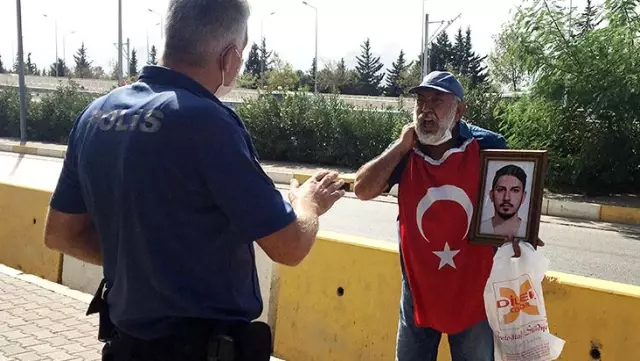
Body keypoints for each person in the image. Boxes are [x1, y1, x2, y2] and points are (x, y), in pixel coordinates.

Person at [42, 0, 345, 360]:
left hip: (125, 347)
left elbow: (61, 234)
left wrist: (142, 267)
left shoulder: (96, 115)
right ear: (229, 56)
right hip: (198, 349)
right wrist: (308, 203)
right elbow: (290, 246)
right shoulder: (207, 123)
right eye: (243, 54)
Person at [354, 71, 543, 361]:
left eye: (437, 101)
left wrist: (522, 230)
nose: (426, 110)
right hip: (417, 289)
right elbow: (363, 189)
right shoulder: (406, 150)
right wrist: (401, 146)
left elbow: (512, 199)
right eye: (421, 101)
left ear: (459, 110)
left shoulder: (487, 146)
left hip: (474, 290)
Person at [480, 164, 528, 238]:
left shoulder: (528, 232)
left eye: (515, 190)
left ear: (523, 196)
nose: (506, 198)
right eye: (500, 190)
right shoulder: (479, 230)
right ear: (491, 195)